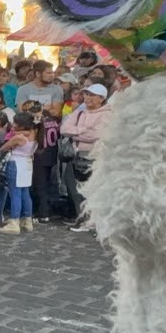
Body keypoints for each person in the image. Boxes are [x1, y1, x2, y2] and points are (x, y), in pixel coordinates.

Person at [59, 83, 111, 231]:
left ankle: (96, 222)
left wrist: (76, 132)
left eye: (92, 95)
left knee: (94, 191)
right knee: (74, 189)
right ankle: (82, 218)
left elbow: (97, 135)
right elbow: (64, 129)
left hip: (95, 156)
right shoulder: (80, 112)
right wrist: (82, 130)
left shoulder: (107, 113)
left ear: (101, 98)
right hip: (75, 155)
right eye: (86, 94)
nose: (88, 98)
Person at [0, 113, 37, 234]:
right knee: (25, 192)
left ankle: (14, 221)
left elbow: (3, 148)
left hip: (16, 164)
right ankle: (27, 219)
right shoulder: (35, 134)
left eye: (15, 123)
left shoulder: (18, 138)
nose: (13, 125)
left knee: (15, 193)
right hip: (28, 164)